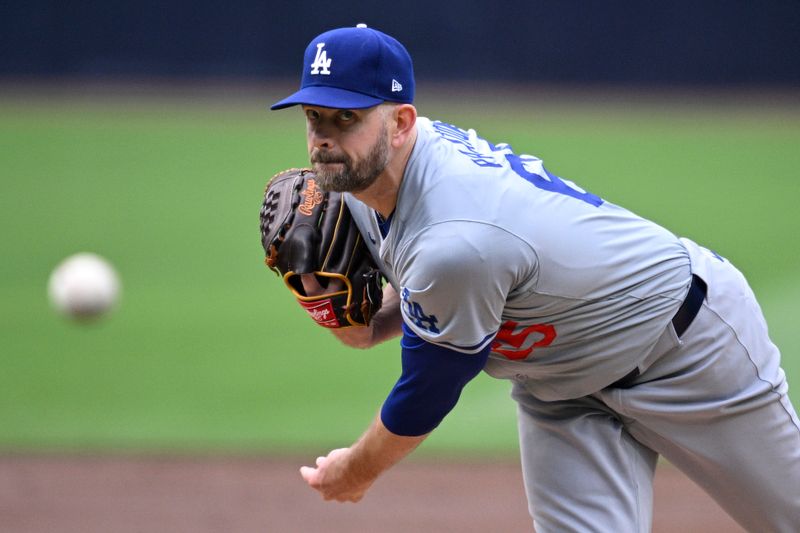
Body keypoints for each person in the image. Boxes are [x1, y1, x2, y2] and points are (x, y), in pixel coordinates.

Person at [270, 24, 800, 532]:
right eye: (315, 117)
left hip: (686, 352)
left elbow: (426, 391)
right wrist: (352, 317)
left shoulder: (457, 236)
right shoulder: (365, 184)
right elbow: (414, 289)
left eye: (347, 119)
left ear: (402, 121)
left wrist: (354, 471)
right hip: (560, 389)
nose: (323, 140)